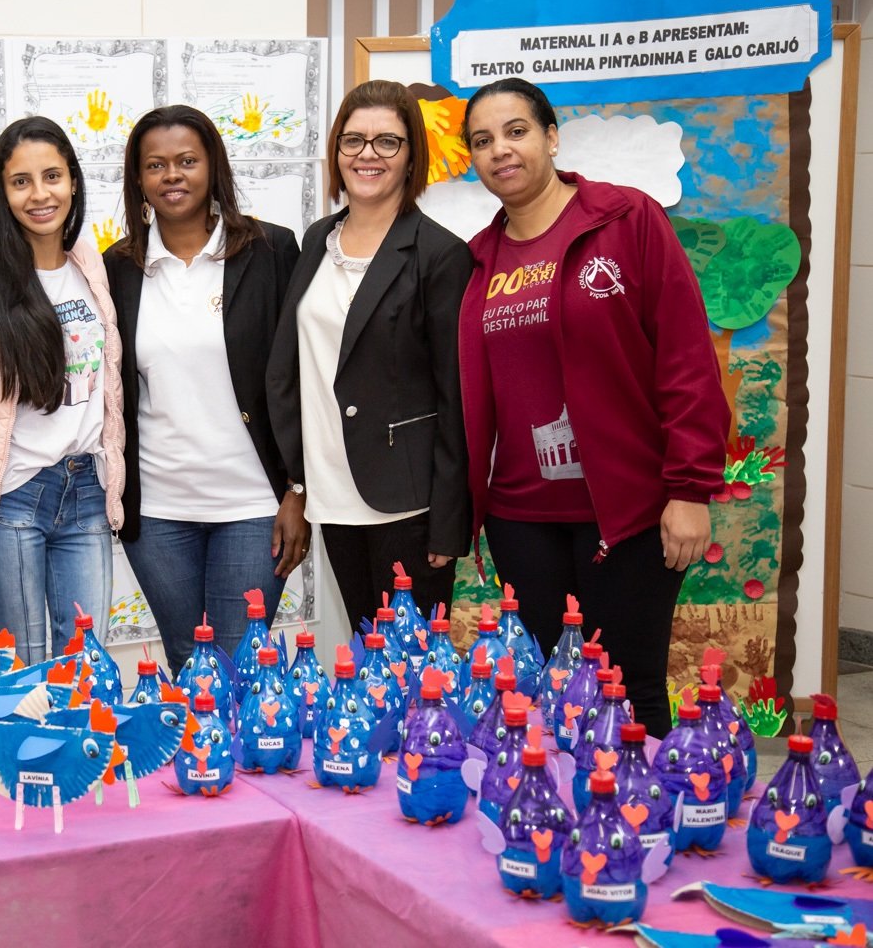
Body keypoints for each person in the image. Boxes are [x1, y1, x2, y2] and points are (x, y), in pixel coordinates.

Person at [458, 77, 728, 736]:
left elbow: (686, 359)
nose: (500, 150)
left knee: (627, 690)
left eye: (516, 131)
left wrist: (689, 488)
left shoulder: (626, 220)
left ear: (551, 137)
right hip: (521, 518)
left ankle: (639, 804)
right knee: (544, 692)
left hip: (629, 513)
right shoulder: (478, 260)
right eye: (483, 141)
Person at [104, 104, 309, 675]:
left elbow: (302, 377)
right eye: (155, 165)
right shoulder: (117, 268)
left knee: (237, 669)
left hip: (253, 504)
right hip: (158, 511)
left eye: (187, 161)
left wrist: (299, 489)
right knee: (187, 666)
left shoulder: (271, 250)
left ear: (212, 166)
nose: (172, 175)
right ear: (138, 178)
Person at [267, 80, 472, 632]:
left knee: (411, 666)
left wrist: (448, 521)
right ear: (337, 150)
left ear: (412, 156)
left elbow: (457, 398)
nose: (367, 154)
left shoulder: (439, 254)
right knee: (366, 655)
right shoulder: (318, 240)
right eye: (353, 140)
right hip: (331, 493)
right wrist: (297, 484)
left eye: (387, 141)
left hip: (407, 504)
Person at [0, 116, 124, 667]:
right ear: (2, 192)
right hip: (13, 496)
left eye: (52, 176)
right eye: (21, 181)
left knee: (86, 665)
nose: (40, 195)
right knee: (23, 672)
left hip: (87, 491)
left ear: (73, 182)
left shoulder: (92, 266)